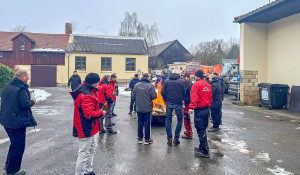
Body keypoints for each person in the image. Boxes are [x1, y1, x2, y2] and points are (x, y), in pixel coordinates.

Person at [0, 69, 37, 175]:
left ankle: (9, 165)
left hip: (7, 120)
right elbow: (25, 104)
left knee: (14, 144)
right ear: (23, 77)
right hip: (16, 122)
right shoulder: (21, 89)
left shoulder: (8, 86)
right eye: (28, 76)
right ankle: (13, 170)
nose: (29, 77)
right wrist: (33, 101)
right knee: (19, 146)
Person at [71, 73, 106, 175]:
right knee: (84, 153)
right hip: (85, 127)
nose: (99, 84)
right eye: (98, 82)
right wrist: (101, 113)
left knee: (91, 150)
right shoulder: (86, 95)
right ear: (95, 83)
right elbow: (89, 114)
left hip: (92, 127)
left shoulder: (88, 91)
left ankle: (88, 170)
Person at [188, 70, 212, 158]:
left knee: (200, 130)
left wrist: (191, 107)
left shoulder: (196, 85)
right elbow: (210, 98)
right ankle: (202, 148)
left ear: (197, 76)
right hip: (206, 109)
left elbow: (194, 97)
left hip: (200, 110)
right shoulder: (208, 85)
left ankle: (205, 151)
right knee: (203, 129)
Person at [161, 69, 185, 146]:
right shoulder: (181, 82)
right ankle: (176, 138)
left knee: (168, 120)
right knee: (180, 120)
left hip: (169, 103)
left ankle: (169, 139)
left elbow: (162, 92)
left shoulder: (167, 81)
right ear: (178, 75)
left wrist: (166, 99)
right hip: (178, 103)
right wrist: (182, 99)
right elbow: (184, 92)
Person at [133, 73, 157, 144]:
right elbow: (154, 96)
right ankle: (147, 139)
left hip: (139, 107)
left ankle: (140, 138)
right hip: (147, 107)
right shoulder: (150, 86)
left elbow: (133, 95)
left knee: (140, 123)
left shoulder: (136, 85)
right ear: (148, 77)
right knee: (147, 123)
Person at [181, 73, 193, 139]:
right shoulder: (185, 84)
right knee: (186, 118)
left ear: (188, 77)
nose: (184, 79)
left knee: (187, 118)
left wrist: (184, 100)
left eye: (185, 77)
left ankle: (189, 133)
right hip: (185, 103)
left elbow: (191, 96)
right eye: (183, 77)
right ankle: (188, 130)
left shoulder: (190, 85)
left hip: (187, 103)